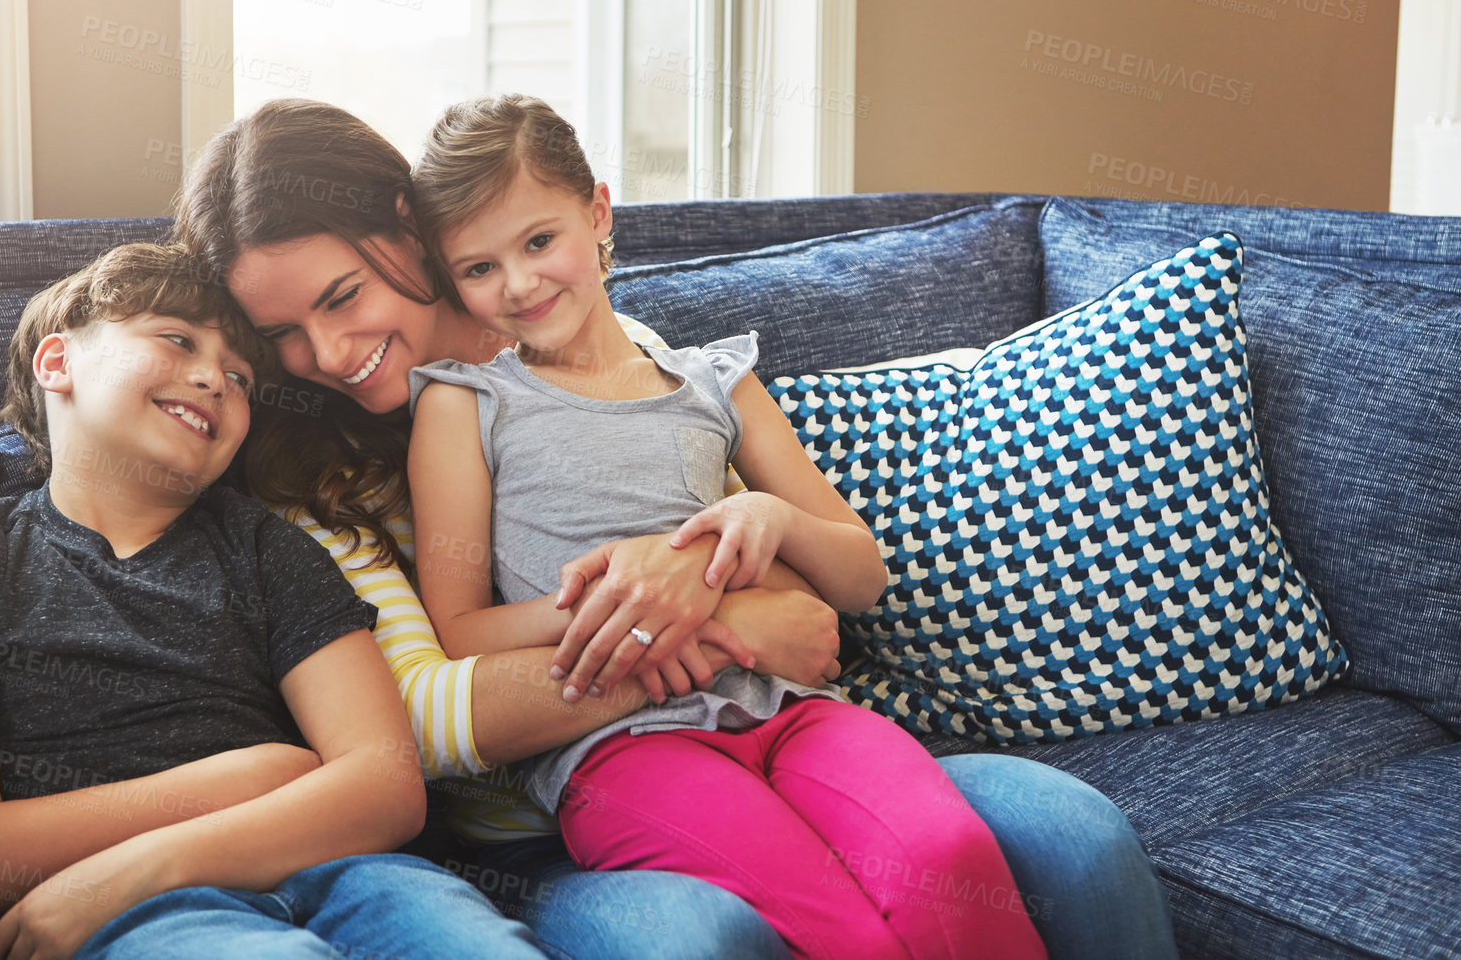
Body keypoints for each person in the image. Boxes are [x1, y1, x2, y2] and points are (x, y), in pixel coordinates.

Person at [177, 98, 1184, 960]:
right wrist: (717, 626)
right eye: (283, 335)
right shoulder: (312, 478)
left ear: (407, 228)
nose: (328, 350)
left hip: (781, 719)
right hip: (551, 815)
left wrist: (725, 577)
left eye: (341, 296)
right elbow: (425, 715)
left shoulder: (627, 351)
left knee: (1072, 835)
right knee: (700, 932)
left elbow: (806, 586)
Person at [400, 93, 1047, 960]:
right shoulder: (464, 403)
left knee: (950, 862)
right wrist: (653, 601)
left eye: (538, 241)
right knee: (830, 922)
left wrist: (766, 514)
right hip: (618, 747)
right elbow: (460, 633)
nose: (517, 285)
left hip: (795, 707)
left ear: (596, 212)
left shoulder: (715, 382)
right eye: (478, 269)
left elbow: (861, 576)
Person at [0, 242, 546, 960]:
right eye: (176, 340)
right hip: (140, 918)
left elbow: (386, 785)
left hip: (349, 875)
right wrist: (239, 778)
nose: (213, 379)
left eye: (240, 376)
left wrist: (145, 860)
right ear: (58, 362)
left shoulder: (268, 549)